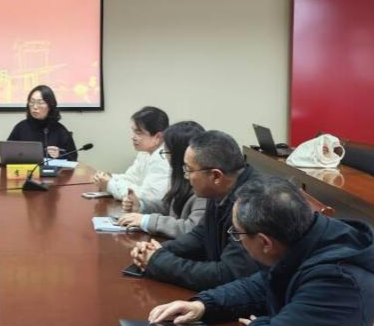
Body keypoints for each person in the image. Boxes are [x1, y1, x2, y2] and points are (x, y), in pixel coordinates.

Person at [148, 176, 374, 326]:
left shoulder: (338, 280)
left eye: (236, 234)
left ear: (265, 243)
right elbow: (262, 284)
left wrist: (260, 324)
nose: (236, 240)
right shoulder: (308, 237)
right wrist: (204, 305)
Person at [131, 129, 261, 291]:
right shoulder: (220, 188)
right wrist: (157, 250)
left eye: (189, 170)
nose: (186, 176)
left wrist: (159, 261)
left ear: (216, 176)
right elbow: (201, 235)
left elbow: (226, 275)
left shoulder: (253, 204)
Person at [116, 120, 206, 237]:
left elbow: (192, 229)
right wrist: (141, 206)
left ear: (179, 155)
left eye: (167, 152)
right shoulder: (180, 178)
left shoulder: (203, 185)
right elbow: (169, 207)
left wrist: (147, 221)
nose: (166, 158)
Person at [94, 106, 171, 203]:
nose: (133, 137)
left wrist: (110, 184)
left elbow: (147, 198)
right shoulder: (145, 152)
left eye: (139, 133)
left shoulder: (163, 158)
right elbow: (132, 178)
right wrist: (109, 177)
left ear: (158, 137)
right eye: (134, 132)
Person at [6, 84, 77, 160]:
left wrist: (60, 155)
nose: (35, 107)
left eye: (40, 103)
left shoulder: (60, 130)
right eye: (32, 102)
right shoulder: (21, 127)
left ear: (50, 106)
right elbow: (7, 153)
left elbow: (73, 157)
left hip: (51, 168)